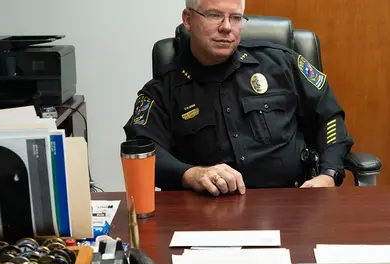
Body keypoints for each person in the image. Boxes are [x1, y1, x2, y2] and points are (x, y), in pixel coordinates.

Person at [123, 0, 354, 196]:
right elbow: (140, 150)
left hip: (292, 204)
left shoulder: (282, 64)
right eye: (214, 15)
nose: (226, 27)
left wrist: (329, 174)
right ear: (188, 19)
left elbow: (329, 116)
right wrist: (190, 174)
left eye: (235, 18)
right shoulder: (164, 89)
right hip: (209, 214)